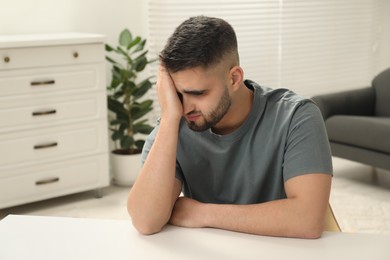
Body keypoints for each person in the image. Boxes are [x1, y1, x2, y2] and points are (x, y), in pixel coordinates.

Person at [127, 16, 333, 239]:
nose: (186, 107)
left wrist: (203, 214)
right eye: (177, 94)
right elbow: (145, 221)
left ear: (234, 78)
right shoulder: (175, 123)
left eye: (198, 93)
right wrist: (168, 119)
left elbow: (307, 221)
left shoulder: (296, 117)